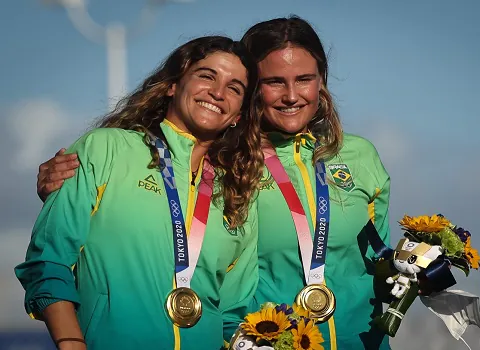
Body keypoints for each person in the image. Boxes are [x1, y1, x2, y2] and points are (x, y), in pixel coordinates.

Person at [36, 16, 392, 349]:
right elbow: (56, 254)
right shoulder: (235, 169)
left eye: (304, 79)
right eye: (273, 82)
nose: (291, 95)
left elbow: (381, 263)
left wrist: (420, 268)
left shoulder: (352, 159)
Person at [16, 36, 263, 350]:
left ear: (238, 114)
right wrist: (70, 341)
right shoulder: (105, 149)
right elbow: (49, 261)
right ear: (172, 85)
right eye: (206, 75)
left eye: (234, 88)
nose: (218, 92)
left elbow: (234, 310)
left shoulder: (237, 191)